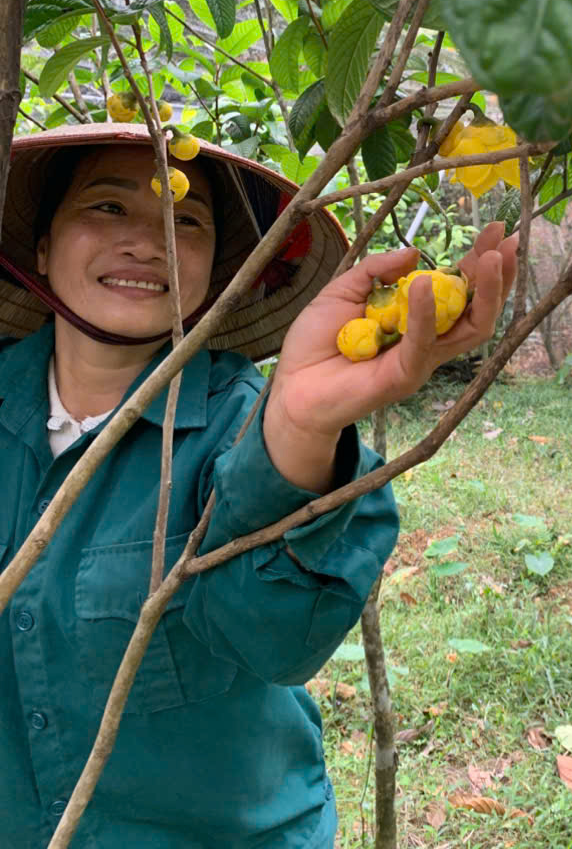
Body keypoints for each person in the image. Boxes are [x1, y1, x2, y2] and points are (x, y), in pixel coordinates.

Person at [0, 122, 518, 848]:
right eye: (108, 207)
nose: (148, 242)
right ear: (42, 246)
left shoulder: (251, 424)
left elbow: (278, 643)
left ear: (217, 270)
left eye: (185, 219)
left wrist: (303, 430)